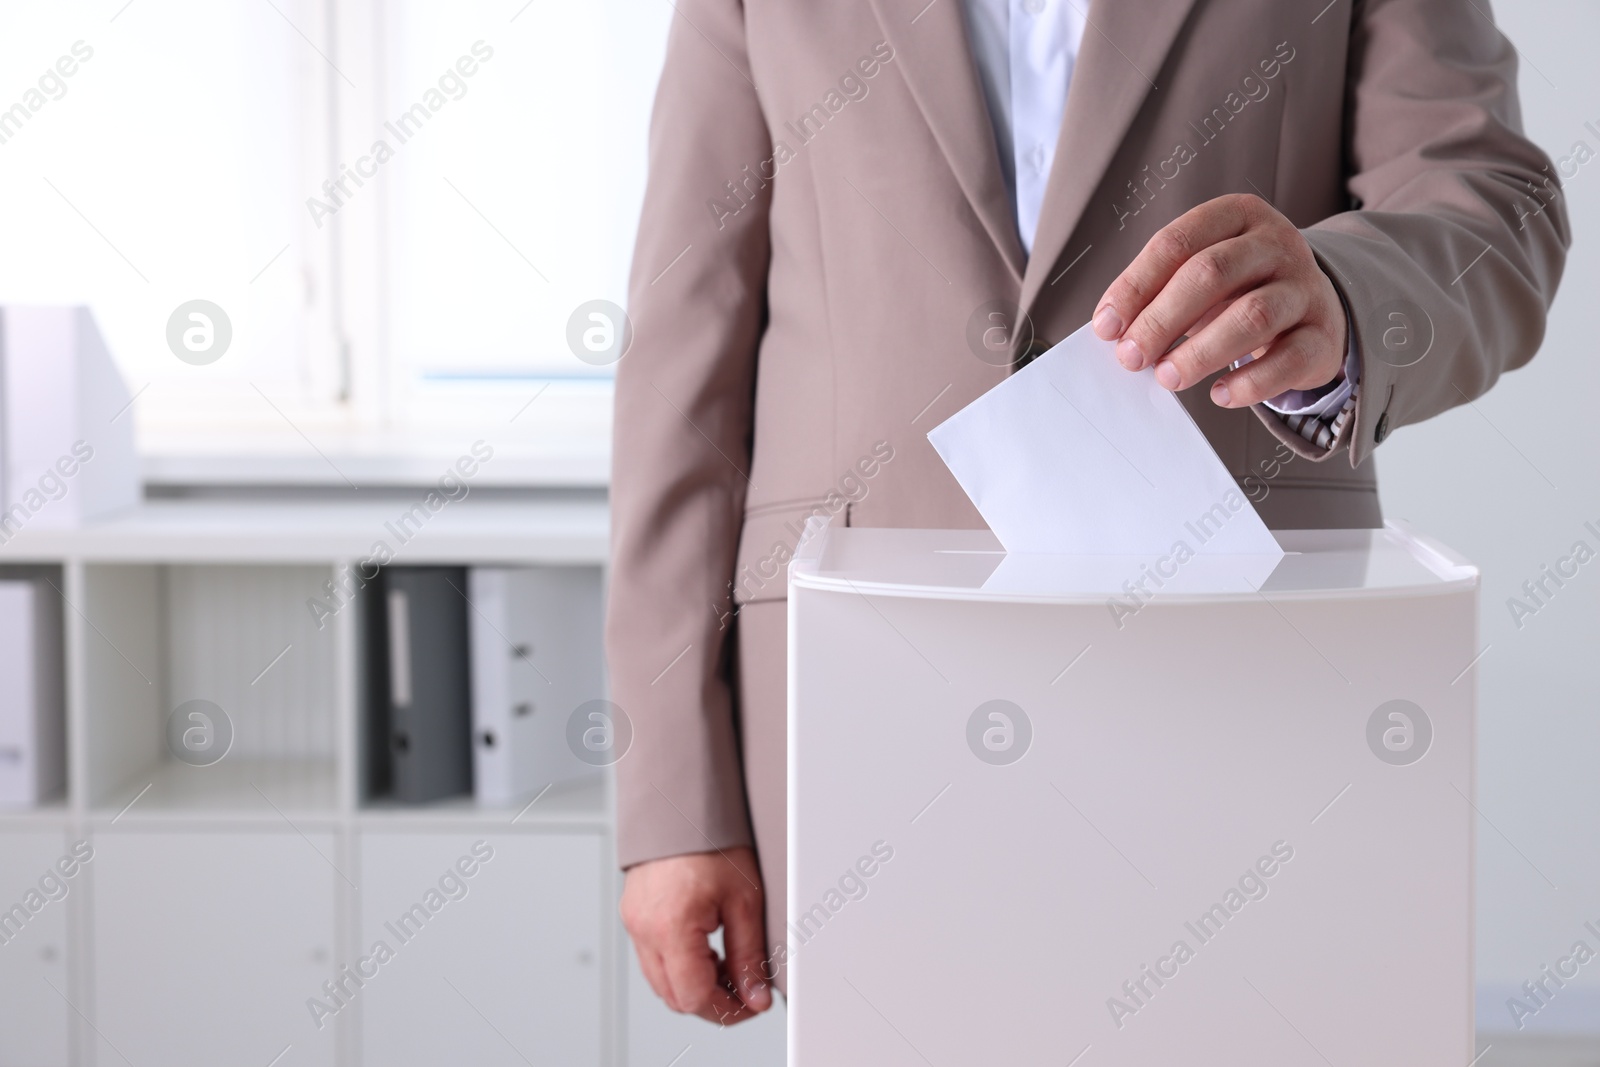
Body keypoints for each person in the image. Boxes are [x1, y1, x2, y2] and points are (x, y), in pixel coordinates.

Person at [607, 0, 1569, 1026]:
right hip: (859, 693)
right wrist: (671, 794)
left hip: (1244, 672)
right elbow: (683, 343)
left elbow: (1492, 207)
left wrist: (1342, 291)